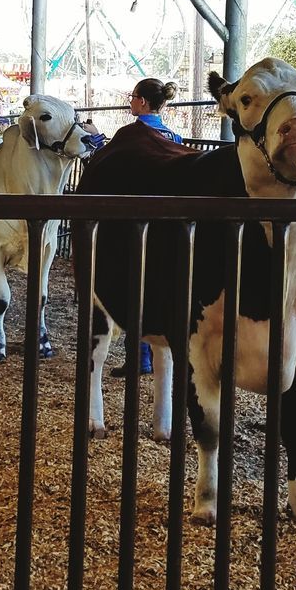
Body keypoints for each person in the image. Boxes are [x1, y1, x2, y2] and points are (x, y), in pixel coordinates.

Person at [111, 78, 182, 377]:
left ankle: (138, 356)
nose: (131, 101)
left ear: (142, 102)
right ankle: (156, 355)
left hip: (135, 223)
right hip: (168, 224)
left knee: (134, 288)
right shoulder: (174, 138)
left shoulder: (129, 135)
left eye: (133, 97)